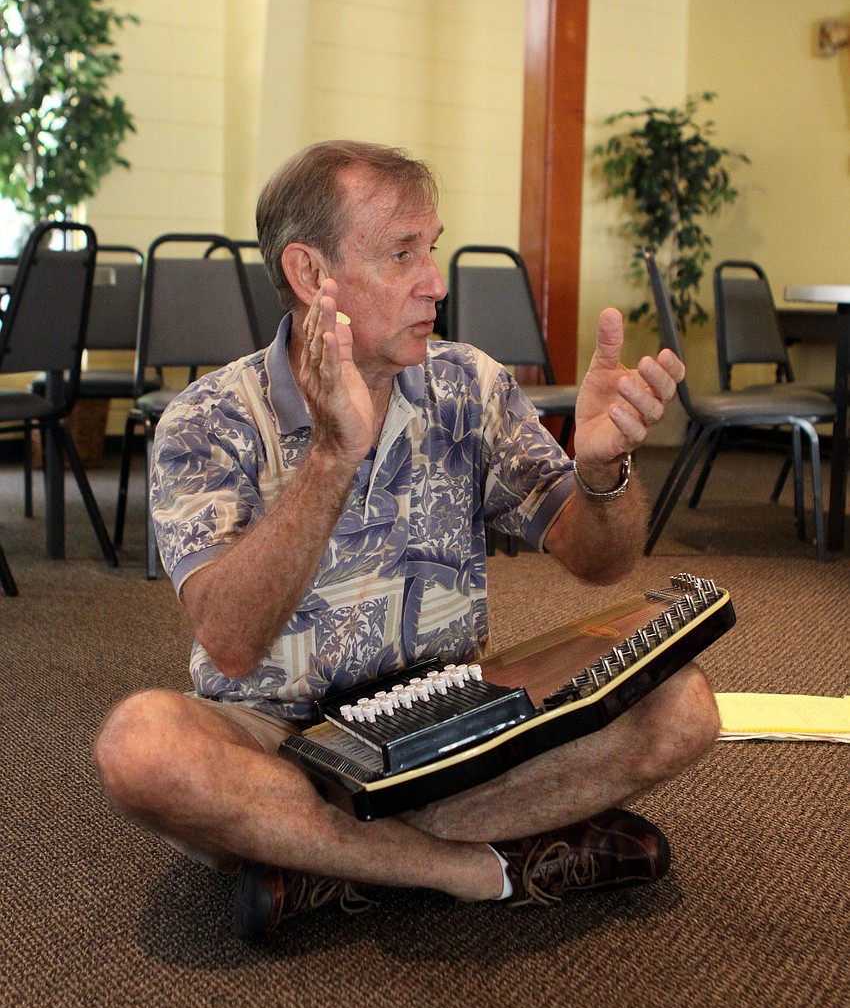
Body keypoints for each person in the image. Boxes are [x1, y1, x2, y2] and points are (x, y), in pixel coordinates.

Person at [94, 140, 719, 940]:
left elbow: (599, 563)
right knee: (142, 745)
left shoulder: (469, 385)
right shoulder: (206, 421)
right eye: (403, 253)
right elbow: (230, 642)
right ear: (310, 275)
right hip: (276, 736)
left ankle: (322, 861)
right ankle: (466, 866)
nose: (437, 281)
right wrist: (331, 454)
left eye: (434, 247)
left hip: (447, 720)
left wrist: (602, 472)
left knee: (685, 708)